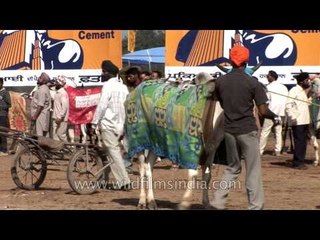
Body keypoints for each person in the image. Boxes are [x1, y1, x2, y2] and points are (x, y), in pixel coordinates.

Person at [210, 45, 278, 210]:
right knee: (253, 170)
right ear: (246, 61)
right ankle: (255, 206)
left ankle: (217, 202)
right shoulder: (252, 82)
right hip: (247, 130)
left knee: (232, 167)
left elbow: (220, 101)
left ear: (230, 61)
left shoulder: (220, 81)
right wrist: (275, 116)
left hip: (229, 131)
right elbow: (262, 110)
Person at [91, 60, 131, 190]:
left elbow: (102, 105)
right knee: (107, 152)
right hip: (121, 125)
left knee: (113, 152)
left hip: (108, 124)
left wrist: (93, 122)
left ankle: (124, 181)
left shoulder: (107, 86)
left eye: (103, 72)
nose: (102, 74)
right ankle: (104, 179)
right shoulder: (123, 87)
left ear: (108, 73)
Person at [285, 72, 311, 170]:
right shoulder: (294, 91)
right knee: (299, 142)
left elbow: (302, 105)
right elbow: (288, 105)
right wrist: (293, 117)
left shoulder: (303, 91)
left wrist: (309, 101)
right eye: (306, 80)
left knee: (303, 142)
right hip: (298, 121)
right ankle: (298, 163)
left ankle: (299, 161)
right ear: (301, 81)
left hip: (305, 120)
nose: (308, 82)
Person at [260, 70, 289, 156]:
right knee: (278, 132)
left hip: (271, 112)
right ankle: (277, 150)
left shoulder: (268, 87)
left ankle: (260, 151)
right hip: (281, 112)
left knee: (265, 132)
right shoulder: (284, 87)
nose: (267, 77)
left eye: (268, 76)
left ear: (272, 77)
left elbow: (266, 100)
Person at [30, 72, 52, 137]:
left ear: (44, 81)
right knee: (43, 135)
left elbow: (40, 105)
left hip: (40, 116)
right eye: (39, 77)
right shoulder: (43, 88)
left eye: (40, 78)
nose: (38, 79)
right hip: (41, 115)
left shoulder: (42, 90)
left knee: (40, 136)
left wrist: (34, 117)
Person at [52, 75, 69, 142]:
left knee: (61, 135)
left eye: (56, 82)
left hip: (61, 119)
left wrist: (60, 117)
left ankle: (70, 149)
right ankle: (58, 151)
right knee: (55, 136)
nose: (55, 83)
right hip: (56, 117)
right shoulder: (57, 92)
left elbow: (64, 107)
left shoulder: (63, 93)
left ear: (60, 84)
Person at [0, 77, 11, 156]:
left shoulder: (5, 92)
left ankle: (4, 150)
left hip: (2, 115)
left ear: (1, 83)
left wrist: (1, 107)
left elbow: (9, 104)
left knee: (2, 133)